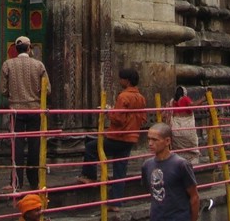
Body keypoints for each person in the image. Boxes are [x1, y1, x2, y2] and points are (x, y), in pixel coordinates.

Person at [79, 68, 147, 199]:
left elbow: (119, 119)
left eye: (121, 78)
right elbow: (142, 118)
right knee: (120, 170)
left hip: (119, 136)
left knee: (91, 147)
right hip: (131, 137)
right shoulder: (141, 98)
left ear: (126, 81)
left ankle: (89, 176)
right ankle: (116, 202)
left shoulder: (123, 96)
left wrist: (108, 112)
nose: (119, 81)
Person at [1, 36, 49, 191]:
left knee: (17, 146)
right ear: (29, 49)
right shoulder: (38, 65)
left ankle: (16, 182)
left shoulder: (8, 64)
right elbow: (47, 89)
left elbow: (2, 89)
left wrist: (12, 94)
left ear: (15, 49)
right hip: (35, 109)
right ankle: (34, 180)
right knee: (35, 145)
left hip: (16, 110)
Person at [141, 122, 199, 221]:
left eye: (155, 140)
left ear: (167, 141)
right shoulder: (147, 165)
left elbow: (194, 197)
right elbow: (151, 192)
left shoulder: (181, 165)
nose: (150, 143)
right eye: (149, 139)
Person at [167, 86, 199, 163]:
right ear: (184, 93)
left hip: (176, 129)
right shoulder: (185, 99)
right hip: (187, 128)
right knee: (191, 144)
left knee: (177, 148)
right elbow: (193, 105)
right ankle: (191, 160)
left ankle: (178, 159)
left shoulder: (172, 102)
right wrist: (204, 99)